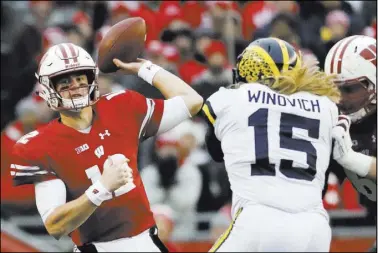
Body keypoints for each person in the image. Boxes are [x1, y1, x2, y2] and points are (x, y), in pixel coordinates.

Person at [9, 42, 203, 252]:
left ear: (92, 79)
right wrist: (101, 189)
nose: (74, 86)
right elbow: (55, 225)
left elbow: (192, 100)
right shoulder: (40, 145)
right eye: (64, 82)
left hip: (146, 242)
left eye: (80, 78)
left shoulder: (121, 107)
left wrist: (145, 69)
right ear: (48, 89)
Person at [200, 37, 341, 252]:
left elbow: (215, 152)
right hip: (315, 227)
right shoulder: (325, 105)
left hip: (260, 219)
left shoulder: (232, 98)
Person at [323, 35, 376, 252]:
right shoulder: (333, 122)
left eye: (350, 89)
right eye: (334, 89)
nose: (340, 99)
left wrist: (351, 159)